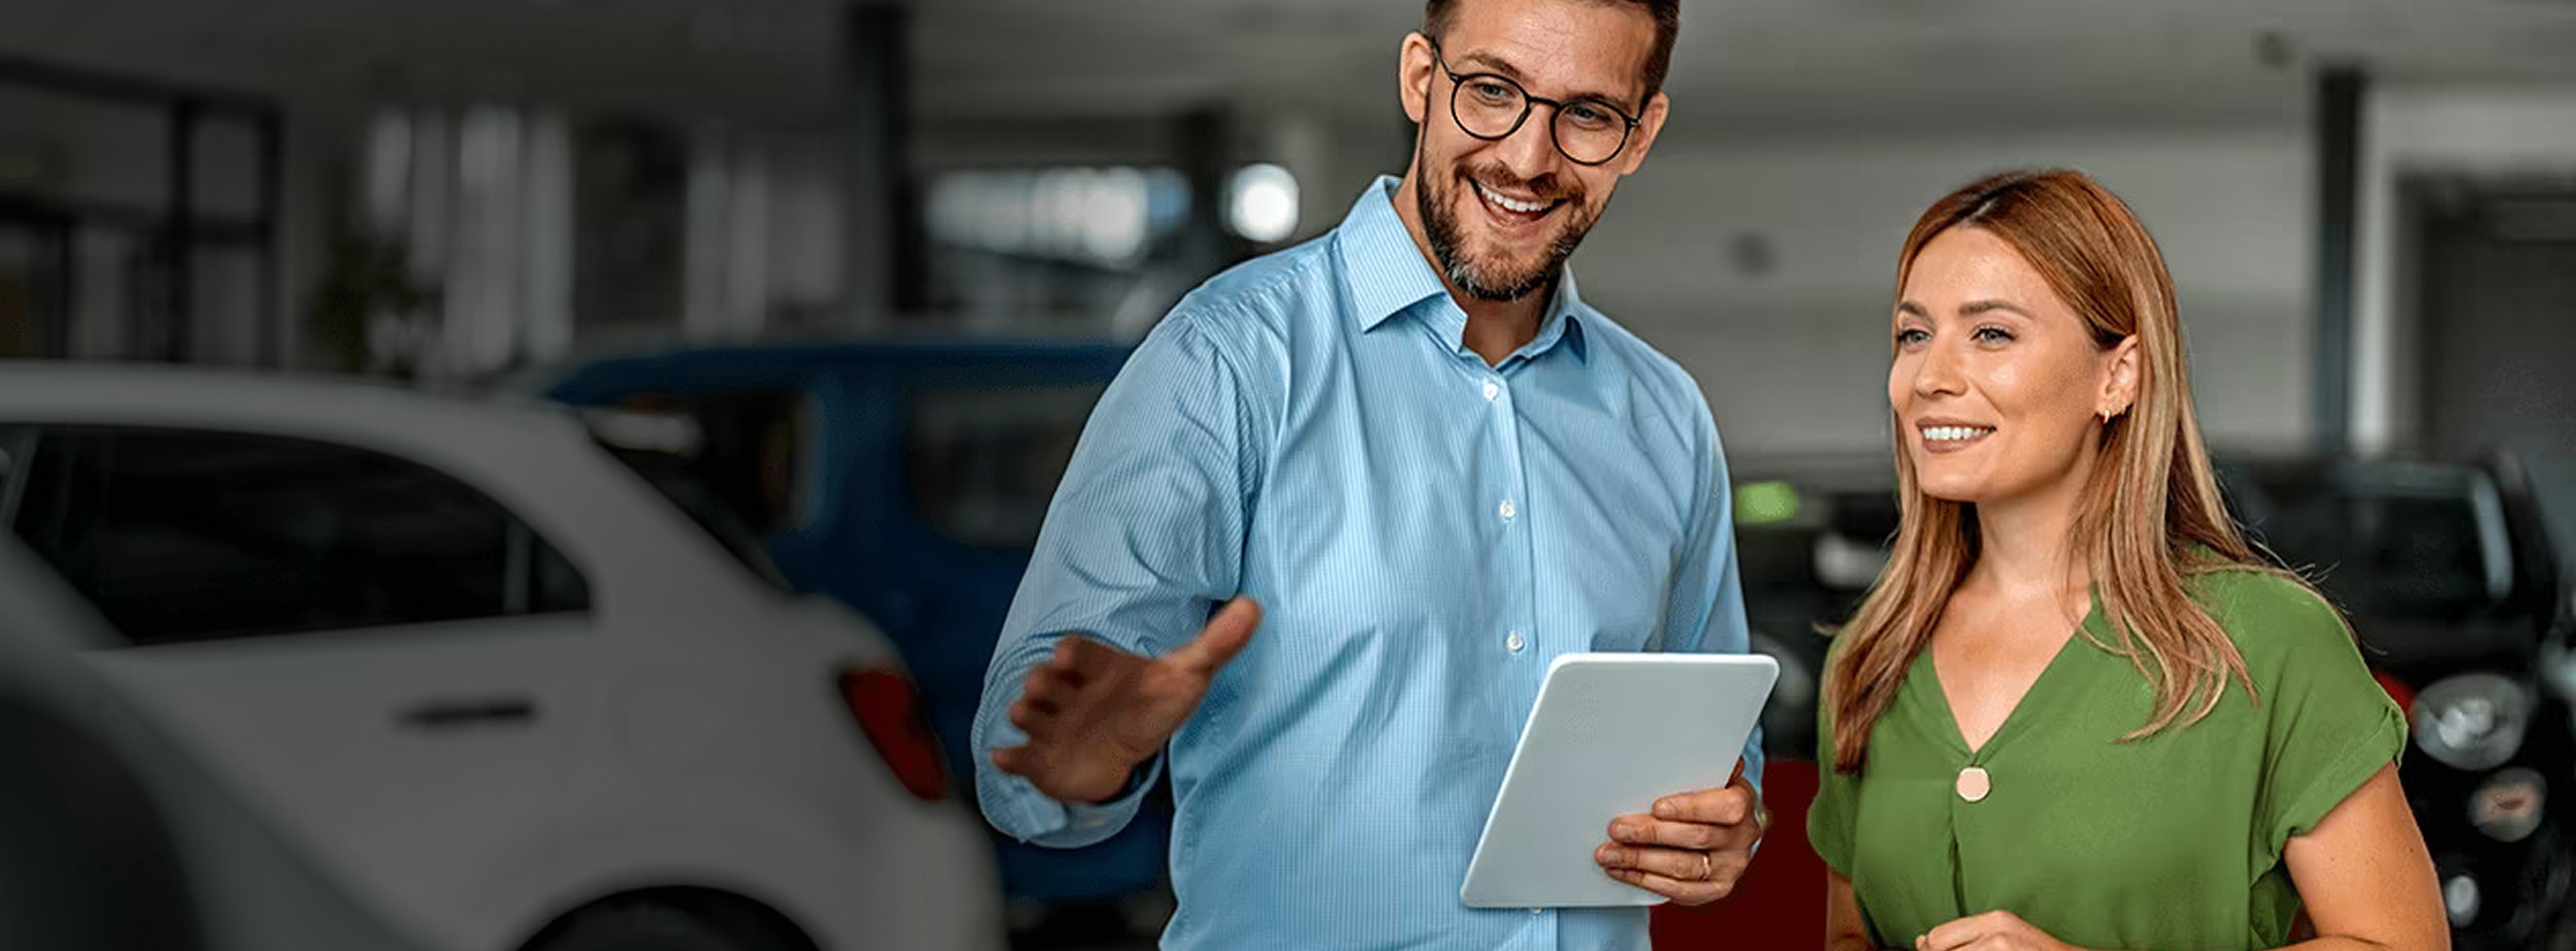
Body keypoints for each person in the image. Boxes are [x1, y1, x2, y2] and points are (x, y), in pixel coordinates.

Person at [970, 0, 1769, 947]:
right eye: (1492, 92)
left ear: (1642, 135)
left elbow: (1719, 742)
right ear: (1421, 80)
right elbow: (1027, 755)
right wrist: (1087, 752)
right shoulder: (1225, 359)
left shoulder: (1663, 413)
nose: (1528, 158)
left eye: (1587, 115)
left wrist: (1727, 819)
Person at [1807, 169, 2448, 951]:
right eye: (1913, 334)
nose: (1931, 378)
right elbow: (1849, 935)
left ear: (2119, 374)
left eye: (1991, 333)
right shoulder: (1869, 659)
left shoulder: (2264, 641)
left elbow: (2400, 942)